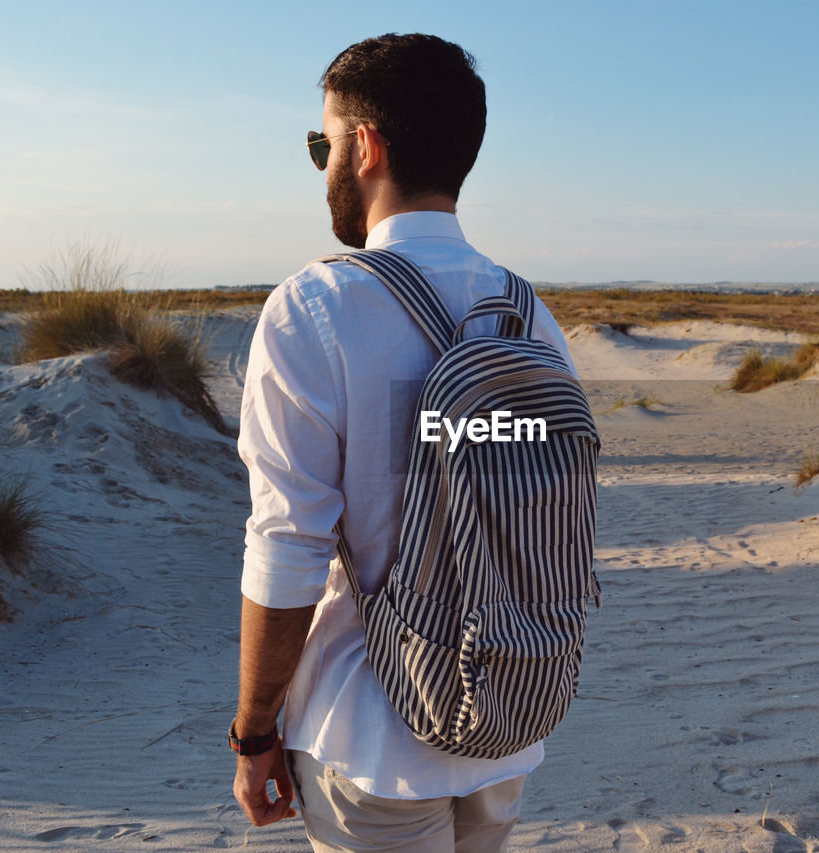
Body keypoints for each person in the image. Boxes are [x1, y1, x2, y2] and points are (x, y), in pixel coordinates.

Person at [231, 33, 576, 851]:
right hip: (509, 712)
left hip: (369, 732)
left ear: (366, 146)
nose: (322, 165)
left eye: (323, 143)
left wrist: (253, 731)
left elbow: (288, 544)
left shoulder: (316, 307)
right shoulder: (529, 315)